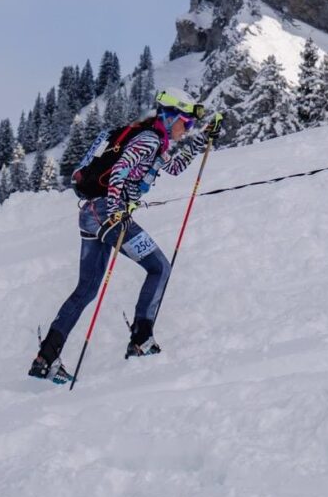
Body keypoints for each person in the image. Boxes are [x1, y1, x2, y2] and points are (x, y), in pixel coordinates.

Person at [29, 90, 219, 381]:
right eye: (187, 123)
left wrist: (203, 140)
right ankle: (141, 340)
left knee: (87, 289)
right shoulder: (148, 141)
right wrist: (118, 208)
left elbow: (176, 168)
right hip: (107, 213)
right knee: (159, 267)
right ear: (170, 117)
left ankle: (46, 357)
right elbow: (119, 172)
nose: (188, 129)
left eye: (192, 125)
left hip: (93, 215)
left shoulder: (157, 143)